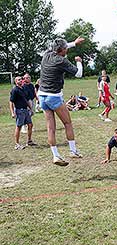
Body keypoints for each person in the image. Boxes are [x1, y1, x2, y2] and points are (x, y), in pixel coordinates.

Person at [38, 37, 84, 166]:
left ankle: (55, 155)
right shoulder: (61, 60)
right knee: (67, 123)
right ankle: (73, 151)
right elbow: (78, 74)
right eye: (66, 49)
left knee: (50, 128)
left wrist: (74, 43)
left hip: (42, 96)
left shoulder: (46, 55)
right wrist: (79, 62)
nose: (66, 50)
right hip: (54, 96)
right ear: (62, 50)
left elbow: (61, 46)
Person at [9, 76, 36, 150]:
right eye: (18, 80)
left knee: (30, 125)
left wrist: (31, 109)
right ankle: (17, 144)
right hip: (19, 110)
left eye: (21, 79)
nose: (20, 80)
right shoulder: (15, 90)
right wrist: (12, 112)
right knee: (19, 127)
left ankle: (29, 141)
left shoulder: (23, 89)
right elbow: (11, 102)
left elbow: (26, 100)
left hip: (26, 110)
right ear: (16, 82)